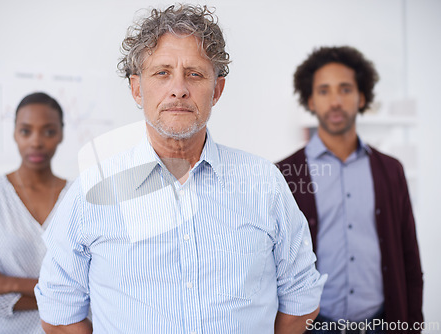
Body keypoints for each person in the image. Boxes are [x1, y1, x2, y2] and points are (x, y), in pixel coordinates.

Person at [35, 4, 326, 334]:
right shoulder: (91, 191)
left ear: (217, 90)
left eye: (195, 73)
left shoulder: (263, 183)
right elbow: (59, 314)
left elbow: (301, 297)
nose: (178, 89)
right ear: (136, 88)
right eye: (162, 73)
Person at [277, 46, 423, 333]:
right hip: (314, 326)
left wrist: (413, 324)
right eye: (324, 91)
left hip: (383, 323)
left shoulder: (391, 171)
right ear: (310, 100)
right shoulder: (283, 174)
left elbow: (409, 258)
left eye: (345, 89)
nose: (335, 101)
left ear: (362, 97)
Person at [0, 92, 70, 333]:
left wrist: (7, 283)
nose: (36, 141)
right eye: (26, 131)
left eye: (48, 131)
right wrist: (63, 298)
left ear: (61, 134)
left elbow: (90, 288)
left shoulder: (78, 195)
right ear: (14, 133)